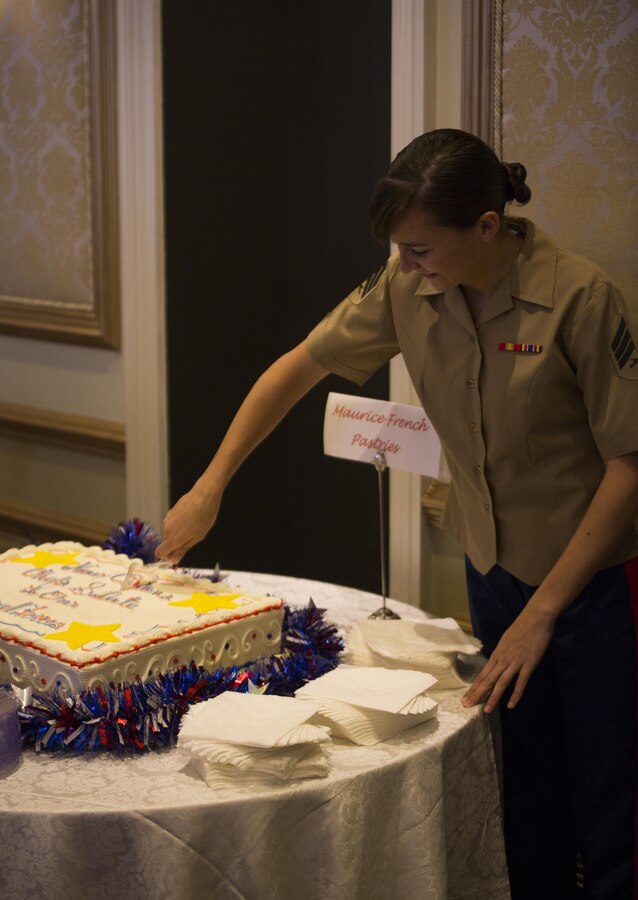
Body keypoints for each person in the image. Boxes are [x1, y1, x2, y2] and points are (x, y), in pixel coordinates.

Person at [157, 128, 638, 899]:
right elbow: (298, 367)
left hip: (595, 587)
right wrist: (211, 485)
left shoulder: (580, 298)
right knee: (527, 793)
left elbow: (629, 467)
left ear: (486, 226)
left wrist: (547, 611)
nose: (406, 265)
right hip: (496, 573)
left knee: (614, 806)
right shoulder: (404, 284)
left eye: (420, 249)